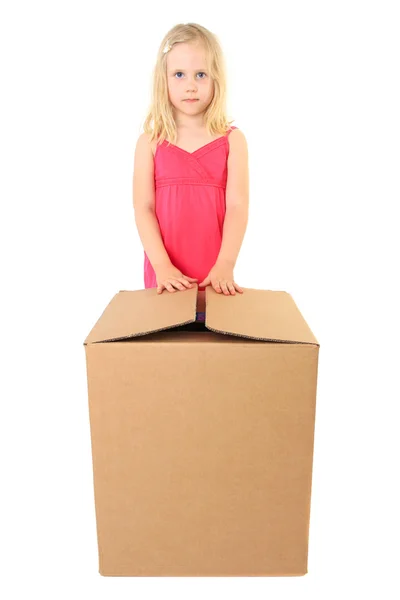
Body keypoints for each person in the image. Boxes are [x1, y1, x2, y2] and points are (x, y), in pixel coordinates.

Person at [133, 23, 249, 321]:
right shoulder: (150, 142)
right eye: (179, 75)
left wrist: (225, 263)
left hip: (214, 274)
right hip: (166, 273)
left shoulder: (232, 140)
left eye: (201, 75)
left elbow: (237, 207)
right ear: (164, 80)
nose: (191, 85)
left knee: (212, 352)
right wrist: (162, 266)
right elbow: (143, 208)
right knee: (168, 351)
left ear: (215, 80)